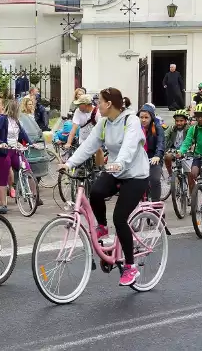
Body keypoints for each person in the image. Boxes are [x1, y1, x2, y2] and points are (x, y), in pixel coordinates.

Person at [60, 87, 149, 286]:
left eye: (99, 102)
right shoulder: (103, 123)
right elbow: (88, 146)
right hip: (116, 170)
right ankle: (101, 226)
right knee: (97, 192)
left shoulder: (131, 121)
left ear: (109, 104)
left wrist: (120, 163)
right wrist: (69, 163)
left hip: (135, 174)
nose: (96, 106)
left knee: (119, 218)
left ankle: (130, 267)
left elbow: (129, 147)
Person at [0, 99, 33, 214]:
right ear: (13, 109)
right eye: (16, 109)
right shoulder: (2, 119)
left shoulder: (16, 120)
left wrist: (30, 142)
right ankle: (4, 205)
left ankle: (34, 196)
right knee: (3, 177)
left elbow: (22, 132)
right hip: (3, 151)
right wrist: (0, 142)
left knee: (27, 169)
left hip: (15, 150)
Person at [65, 94, 104, 166]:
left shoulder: (97, 113)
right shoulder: (78, 111)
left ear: (86, 104)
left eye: (80, 104)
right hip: (83, 139)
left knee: (99, 150)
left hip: (95, 139)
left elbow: (102, 129)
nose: (78, 106)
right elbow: (74, 128)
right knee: (81, 158)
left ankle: (100, 170)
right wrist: (68, 143)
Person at [137, 104, 165, 201]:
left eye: (146, 117)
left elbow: (160, 143)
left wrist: (157, 156)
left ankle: (156, 206)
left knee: (155, 180)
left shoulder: (157, 128)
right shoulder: (135, 128)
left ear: (151, 118)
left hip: (153, 158)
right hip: (139, 159)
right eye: (141, 117)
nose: (143, 120)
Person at [164, 109, 190, 175]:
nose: (179, 123)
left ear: (185, 121)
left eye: (181, 121)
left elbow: (193, 140)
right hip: (174, 149)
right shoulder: (172, 128)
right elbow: (165, 136)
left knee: (190, 172)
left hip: (187, 150)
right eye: (177, 121)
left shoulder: (189, 129)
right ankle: (170, 174)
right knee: (167, 157)